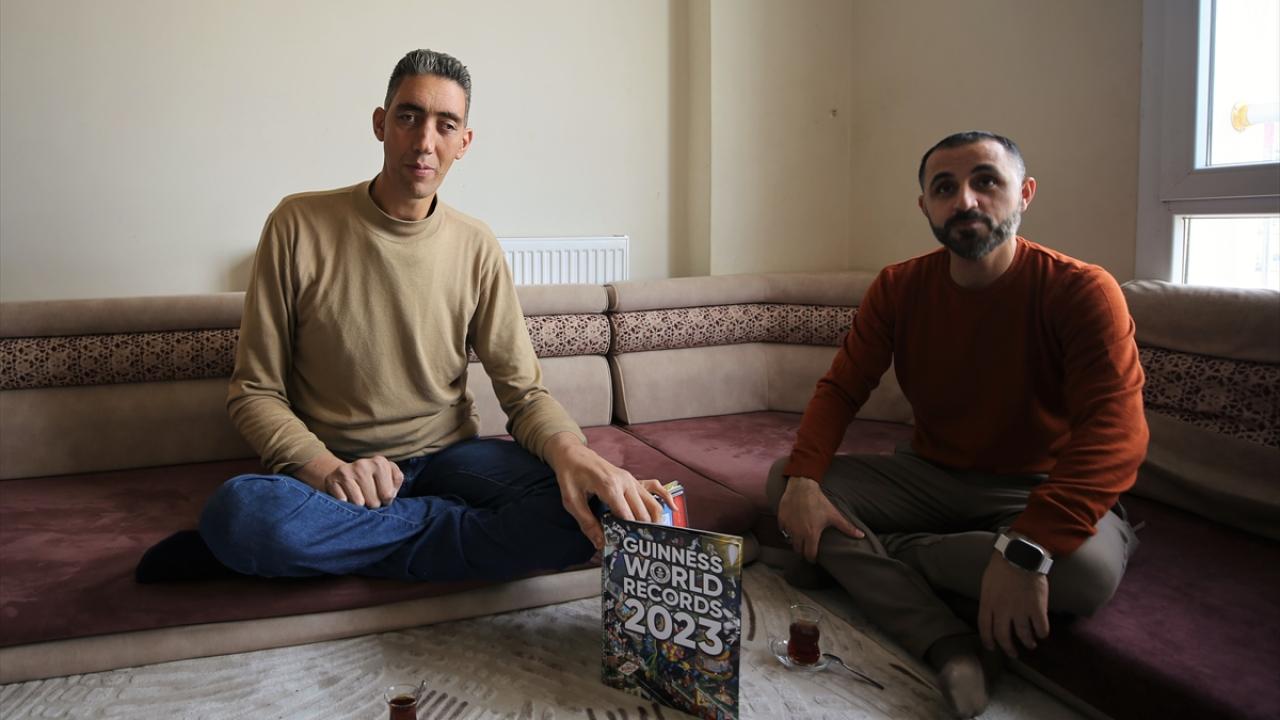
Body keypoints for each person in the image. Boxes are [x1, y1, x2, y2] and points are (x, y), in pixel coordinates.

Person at [137, 48, 670, 585]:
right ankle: (431, 534)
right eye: (409, 117)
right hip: (337, 467)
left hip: (450, 462)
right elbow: (255, 392)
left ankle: (349, 539)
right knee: (240, 514)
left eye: (445, 125)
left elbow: (525, 394)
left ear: (464, 143)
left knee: (590, 510)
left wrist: (575, 454)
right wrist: (327, 471)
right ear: (380, 124)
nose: (424, 142)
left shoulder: (477, 246)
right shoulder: (296, 224)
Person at [769, 131, 1147, 718]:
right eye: (944, 188)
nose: (965, 200)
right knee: (788, 483)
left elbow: (1117, 435)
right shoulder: (898, 287)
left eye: (986, 181)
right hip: (929, 477)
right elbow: (841, 389)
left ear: (1024, 193)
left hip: (1036, 488)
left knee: (1086, 575)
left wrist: (1025, 551)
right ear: (926, 207)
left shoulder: (1081, 290)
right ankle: (948, 644)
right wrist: (804, 481)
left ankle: (885, 556)